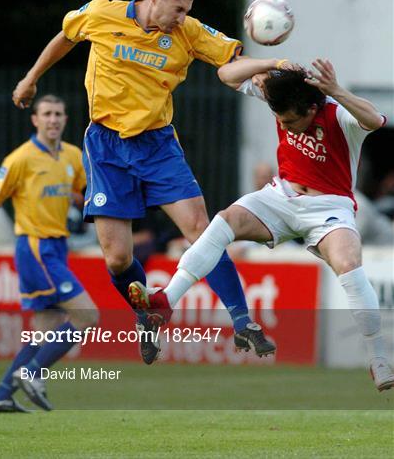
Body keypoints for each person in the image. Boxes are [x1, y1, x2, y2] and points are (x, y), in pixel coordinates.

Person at [11, 0, 275, 364]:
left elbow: (233, 58)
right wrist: (32, 78)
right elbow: (67, 36)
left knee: (202, 229)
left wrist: (273, 66)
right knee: (117, 258)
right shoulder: (103, 13)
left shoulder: (189, 32)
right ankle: (146, 316)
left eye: (187, 12)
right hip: (106, 147)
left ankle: (243, 320)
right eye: (178, 9)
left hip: (157, 145)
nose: (182, 19)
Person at [128, 57, 394, 392]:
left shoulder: (338, 114)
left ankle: (378, 357)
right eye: (281, 120)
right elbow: (226, 74)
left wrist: (336, 90)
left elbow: (375, 119)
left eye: (292, 121)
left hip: (329, 207)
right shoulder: (284, 96)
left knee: (349, 264)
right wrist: (271, 63)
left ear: (313, 108)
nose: (287, 126)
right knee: (224, 220)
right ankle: (166, 302)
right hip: (279, 197)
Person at [0, 94, 99, 412]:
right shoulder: (20, 159)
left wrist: (83, 208)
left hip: (57, 247)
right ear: (35, 119)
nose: (53, 119)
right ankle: (32, 372)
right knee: (88, 315)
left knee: (44, 333)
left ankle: (1, 395)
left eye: (58, 113)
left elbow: (83, 191)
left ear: (65, 119)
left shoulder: (73, 156)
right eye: (46, 113)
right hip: (35, 247)